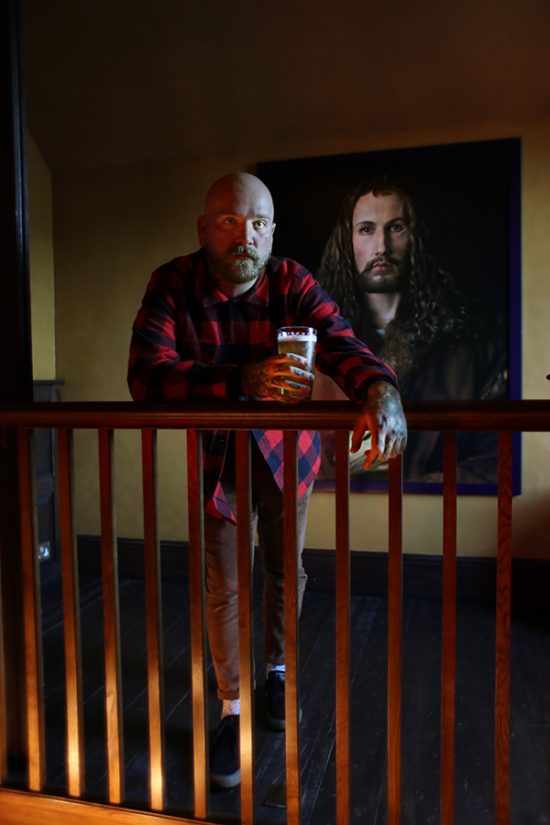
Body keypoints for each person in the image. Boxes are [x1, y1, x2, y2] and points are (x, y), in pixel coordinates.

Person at [128, 172, 407, 789]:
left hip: (290, 455)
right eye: (229, 221)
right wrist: (240, 382)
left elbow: (339, 340)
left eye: (257, 223)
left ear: (271, 231)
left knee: (286, 568)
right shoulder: (172, 282)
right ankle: (230, 706)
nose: (243, 236)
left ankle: (276, 674)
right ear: (204, 228)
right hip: (218, 456)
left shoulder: (292, 280)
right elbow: (147, 377)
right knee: (224, 579)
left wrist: (381, 387)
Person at [315, 176, 507, 484]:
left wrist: (416, 493)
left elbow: (495, 457)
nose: (381, 246)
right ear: (347, 241)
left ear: (417, 236)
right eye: (366, 229)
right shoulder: (319, 342)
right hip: (331, 514)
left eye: (395, 228)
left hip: (427, 515)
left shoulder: (475, 343)